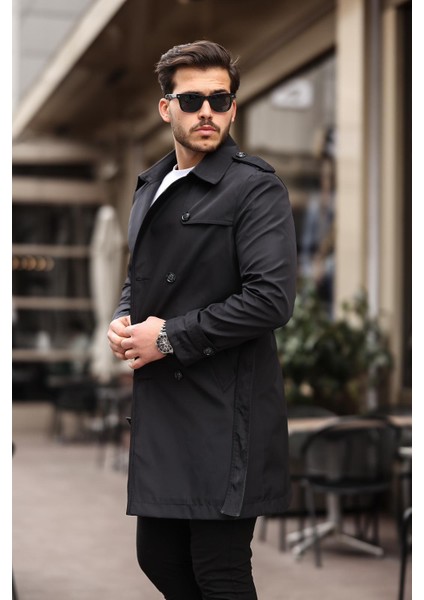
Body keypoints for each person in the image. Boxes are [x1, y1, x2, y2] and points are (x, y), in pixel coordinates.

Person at [107, 40, 297, 600]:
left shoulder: (255, 187)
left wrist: (167, 336)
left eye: (220, 99)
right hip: (167, 409)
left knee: (220, 572)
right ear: (165, 107)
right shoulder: (150, 186)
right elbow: (140, 277)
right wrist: (123, 319)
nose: (207, 111)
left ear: (234, 107)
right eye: (192, 100)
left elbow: (271, 299)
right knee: (159, 558)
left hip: (226, 413)